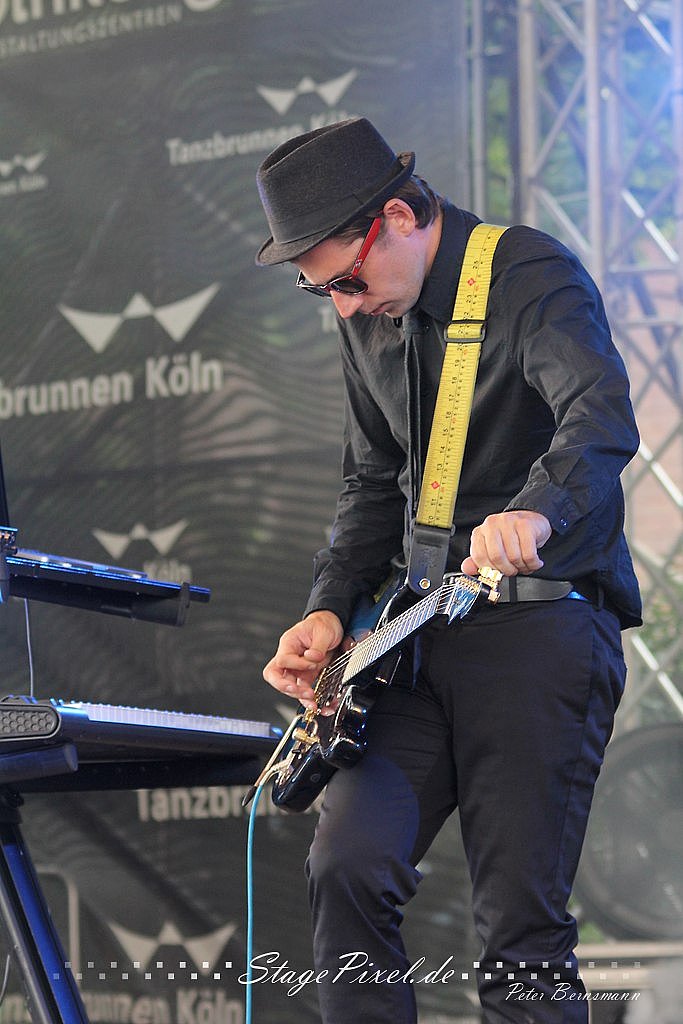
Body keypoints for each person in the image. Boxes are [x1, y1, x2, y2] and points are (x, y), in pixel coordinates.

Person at [254, 116, 641, 1024]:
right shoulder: (368, 315)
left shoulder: (525, 271)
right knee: (346, 867)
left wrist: (534, 511)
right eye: (321, 291)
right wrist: (328, 608)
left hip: (538, 627)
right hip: (419, 632)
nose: (343, 307)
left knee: (519, 929)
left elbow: (598, 414)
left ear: (397, 216)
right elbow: (371, 481)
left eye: (346, 280)